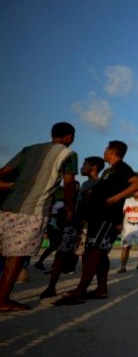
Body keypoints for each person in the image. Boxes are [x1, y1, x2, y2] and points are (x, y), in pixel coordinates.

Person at [0, 121, 77, 311]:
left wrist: (11, 186)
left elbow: (4, 172)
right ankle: (2, 300)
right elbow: (68, 185)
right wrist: (69, 209)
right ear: (69, 137)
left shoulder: (29, 149)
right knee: (16, 256)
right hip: (34, 210)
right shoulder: (69, 154)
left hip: (8, 206)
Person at [53, 140, 138, 304]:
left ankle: (81, 289)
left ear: (113, 151)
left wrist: (116, 197)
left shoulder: (122, 167)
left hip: (106, 217)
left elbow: (137, 183)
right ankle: (101, 289)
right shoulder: (109, 171)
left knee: (94, 251)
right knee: (99, 254)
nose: (104, 151)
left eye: (107, 148)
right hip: (97, 216)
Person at [40, 156, 104, 299]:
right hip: (77, 224)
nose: (82, 167)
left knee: (79, 257)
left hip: (83, 225)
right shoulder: (87, 184)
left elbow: (90, 206)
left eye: (85, 165)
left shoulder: (96, 185)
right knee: (65, 254)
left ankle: (74, 288)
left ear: (94, 167)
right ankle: (54, 287)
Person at [33, 194, 66, 271]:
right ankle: (44, 263)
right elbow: (53, 214)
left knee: (54, 246)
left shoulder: (59, 203)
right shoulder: (60, 204)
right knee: (55, 246)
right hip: (54, 226)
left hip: (53, 226)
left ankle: (41, 262)